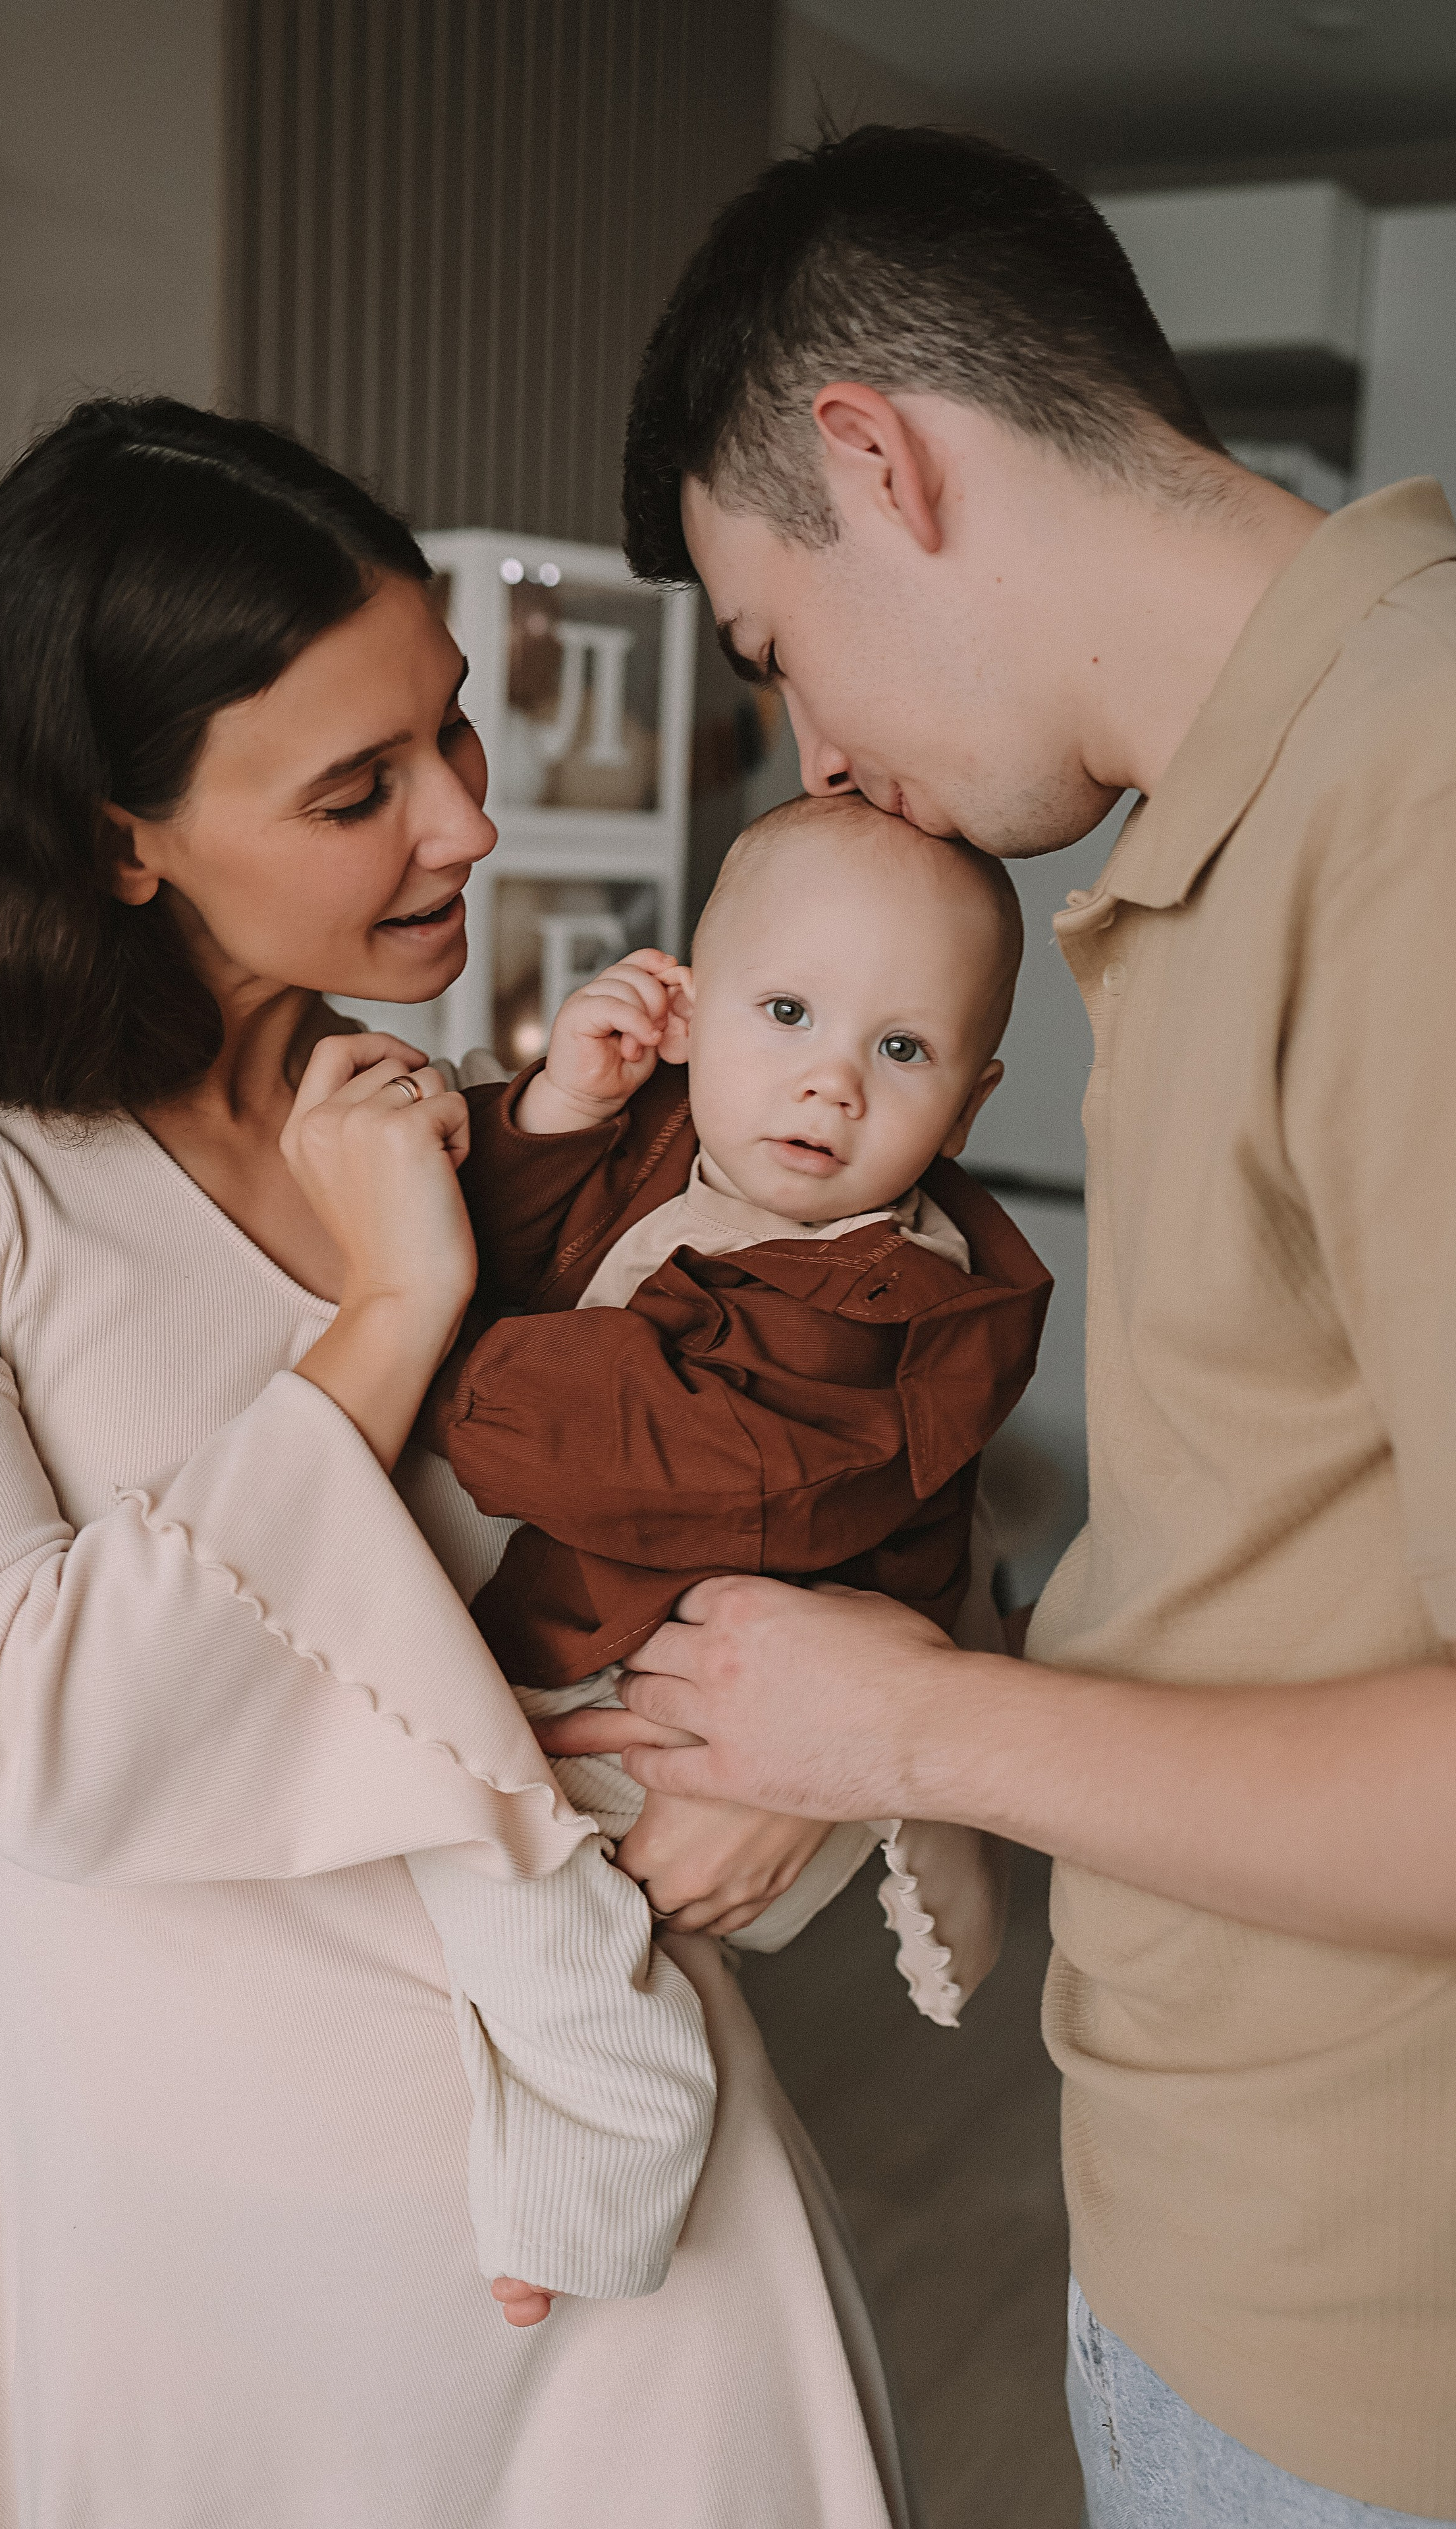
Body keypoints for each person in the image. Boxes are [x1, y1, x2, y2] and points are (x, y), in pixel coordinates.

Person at [543, 126, 1456, 2529]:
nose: (811, 755)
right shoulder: (1269, 824)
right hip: (1220, 2220)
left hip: (1387, 2333)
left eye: (776, 645)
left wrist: (912, 1719)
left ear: (875, 459)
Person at [0, 394, 920, 2527]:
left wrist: (795, 1755)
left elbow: (851, 1429)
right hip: (196, 2233)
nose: (467, 824)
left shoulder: (487, 1109)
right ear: (115, 836)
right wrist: (381, 1318)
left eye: (452, 731)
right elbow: (28, 1730)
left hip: (606, 2168)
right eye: (362, 789)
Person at [416, 795, 1050, 2316]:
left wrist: (423, 1366)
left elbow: (660, 1447)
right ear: (689, 1014)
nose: (828, 1080)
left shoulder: (881, 1297)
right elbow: (503, 1240)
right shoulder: (665, 1144)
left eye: (900, 1053)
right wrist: (558, 1112)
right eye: (785, 1013)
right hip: (626, 1643)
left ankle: (613, 2133)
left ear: (965, 1106)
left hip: (714, 1708)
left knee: (484, 1860)